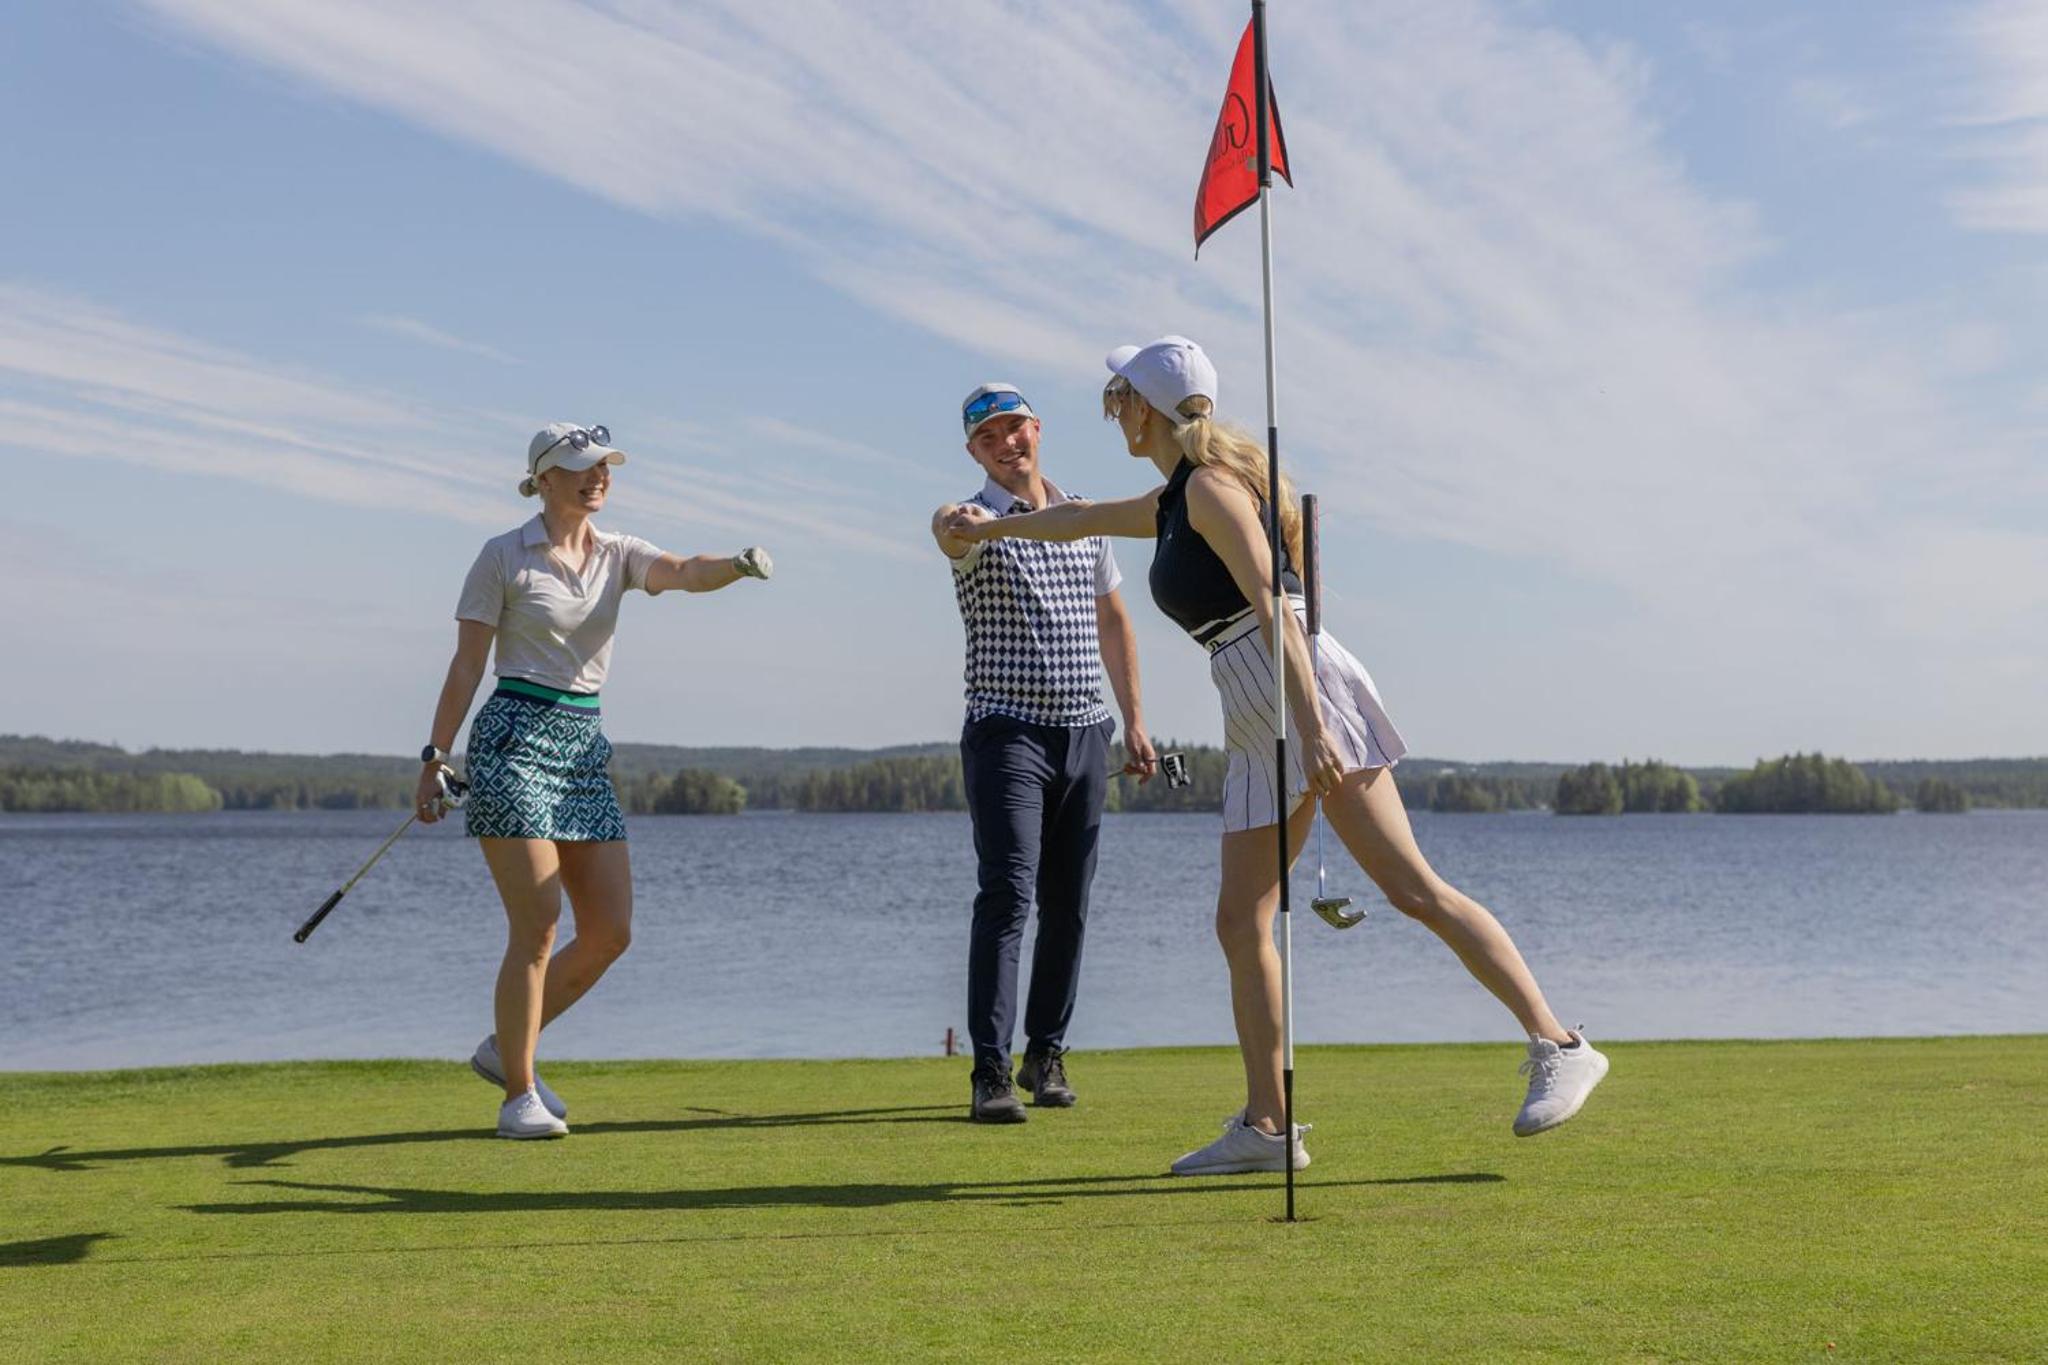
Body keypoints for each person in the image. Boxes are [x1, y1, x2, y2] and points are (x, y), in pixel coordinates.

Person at [945, 339, 1607, 1172]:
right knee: (1240, 921)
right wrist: (996, 524)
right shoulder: (1174, 498)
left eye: (1122, 400)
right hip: (1254, 700)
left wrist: (1315, 727)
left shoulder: (1211, 489)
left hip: (1295, 685)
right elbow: (1074, 519)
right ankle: (1267, 1125)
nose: (1115, 413)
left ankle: (1560, 1043)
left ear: (1147, 409)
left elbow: (1270, 604)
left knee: (1412, 887)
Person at [417, 422, 772, 1139]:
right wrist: (436, 755)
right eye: (582, 466)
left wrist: (736, 564)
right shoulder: (502, 555)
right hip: (513, 740)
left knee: (610, 930)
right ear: (543, 478)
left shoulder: (618, 552)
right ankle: (518, 1094)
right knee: (539, 923)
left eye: (605, 466)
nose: (598, 477)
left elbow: (684, 570)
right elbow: (467, 664)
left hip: (582, 746)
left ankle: (505, 1048)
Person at [930, 384, 1158, 1123]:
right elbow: (949, 532)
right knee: (1008, 895)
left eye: (1014, 429)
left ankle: (1045, 1053)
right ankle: (990, 1070)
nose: (1006, 444)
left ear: (1037, 429)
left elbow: (1113, 620)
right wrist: (959, 523)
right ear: (974, 451)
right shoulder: (975, 521)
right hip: (1007, 731)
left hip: (1085, 731)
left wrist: (1136, 720)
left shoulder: (1084, 518)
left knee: (1069, 905)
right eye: (988, 437)